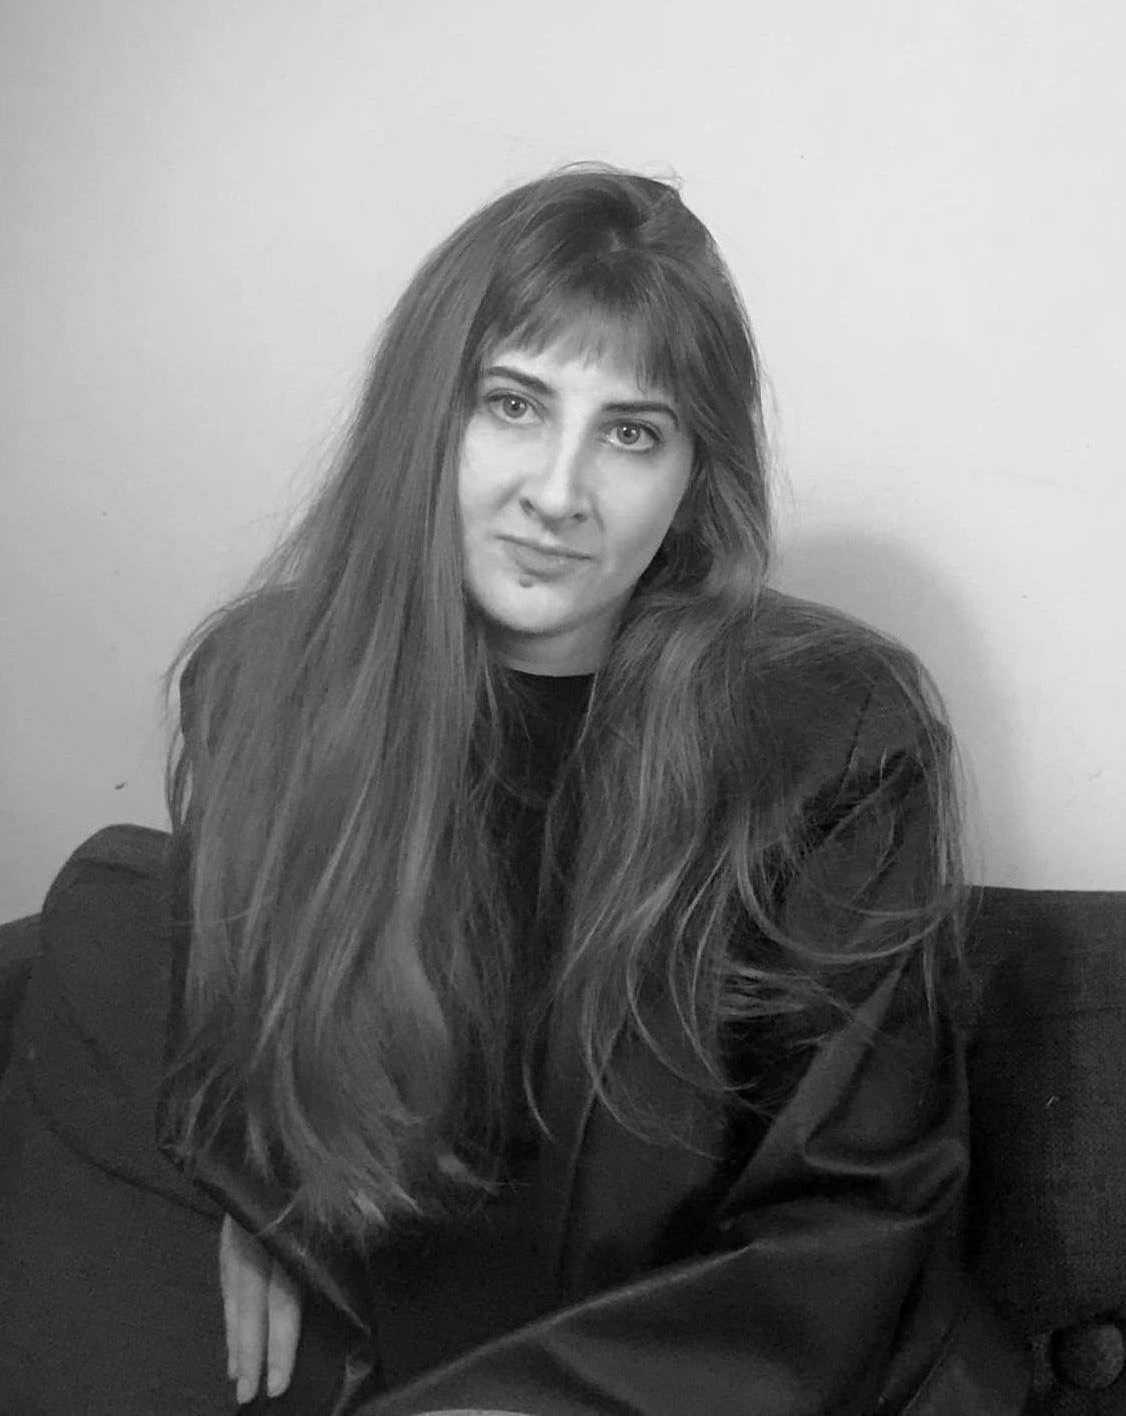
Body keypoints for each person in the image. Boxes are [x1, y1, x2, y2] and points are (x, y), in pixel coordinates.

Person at [0, 164, 1032, 1416]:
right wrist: (265, 1203)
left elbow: (855, 1220)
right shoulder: (261, 688)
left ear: (694, 478)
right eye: (512, 403)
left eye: (631, 431)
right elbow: (248, 1019)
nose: (557, 490)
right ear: (424, 419)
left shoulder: (835, 733)